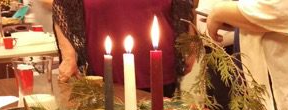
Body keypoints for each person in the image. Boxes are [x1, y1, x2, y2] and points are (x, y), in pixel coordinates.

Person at [52, 0, 195, 98]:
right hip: (104, 73)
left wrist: (191, 43)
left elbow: (184, 5)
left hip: (159, 69)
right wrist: (68, 56)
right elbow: (62, 8)